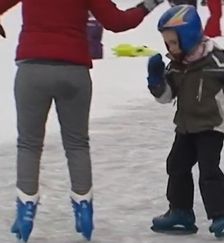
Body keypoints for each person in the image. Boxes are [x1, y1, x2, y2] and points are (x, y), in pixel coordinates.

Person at [0, 0, 164, 241]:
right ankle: (84, 213)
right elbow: (117, 22)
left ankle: (25, 213)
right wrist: (148, 5)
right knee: (77, 145)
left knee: (29, 145)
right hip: (74, 71)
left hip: (32, 70)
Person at [147, 5, 224, 238]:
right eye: (167, 43)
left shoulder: (215, 61)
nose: (169, 48)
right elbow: (166, 97)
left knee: (209, 171)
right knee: (176, 165)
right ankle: (181, 212)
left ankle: (221, 217)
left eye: (172, 42)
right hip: (186, 126)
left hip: (212, 126)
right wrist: (156, 80)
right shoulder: (177, 66)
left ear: (188, 37)